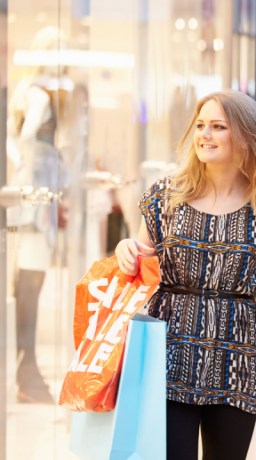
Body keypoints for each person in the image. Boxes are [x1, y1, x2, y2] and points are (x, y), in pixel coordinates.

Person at [115, 90, 256, 460]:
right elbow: (140, 268)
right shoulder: (166, 197)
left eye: (218, 127)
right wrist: (124, 251)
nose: (205, 135)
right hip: (167, 350)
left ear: (246, 136)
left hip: (238, 353)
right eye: (200, 125)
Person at [6, 25, 72, 404]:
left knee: (26, 287)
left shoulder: (23, 93)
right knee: (29, 287)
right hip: (34, 205)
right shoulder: (41, 97)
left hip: (28, 199)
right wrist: (51, 166)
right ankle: (26, 372)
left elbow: (14, 143)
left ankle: (25, 369)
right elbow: (29, 139)